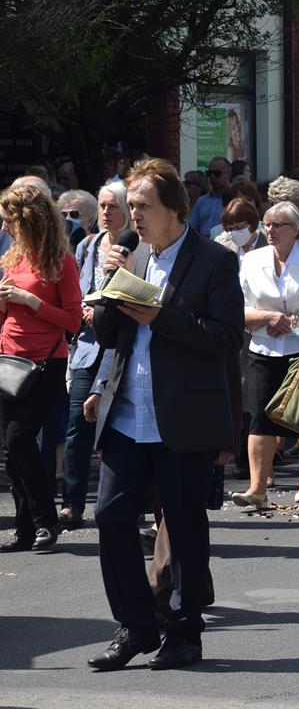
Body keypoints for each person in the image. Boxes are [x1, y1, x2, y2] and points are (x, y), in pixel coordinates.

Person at [83, 158, 243, 671]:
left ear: (174, 208)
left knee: (185, 526)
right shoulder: (132, 255)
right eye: (130, 206)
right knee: (109, 516)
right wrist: (113, 282)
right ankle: (135, 625)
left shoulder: (214, 261)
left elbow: (225, 338)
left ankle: (185, 630)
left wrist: (163, 318)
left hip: (183, 418)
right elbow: (108, 333)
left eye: (143, 206)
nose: (134, 216)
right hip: (129, 412)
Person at [0, 185, 83, 552]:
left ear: (27, 220)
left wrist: (31, 300)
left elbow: (73, 321)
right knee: (10, 449)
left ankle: (45, 520)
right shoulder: (13, 256)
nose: (4, 229)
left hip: (45, 362)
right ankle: (24, 529)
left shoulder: (61, 260)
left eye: (8, 222)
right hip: (8, 358)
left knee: (20, 439)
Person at [231, 202, 299, 508]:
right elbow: (238, 306)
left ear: (295, 230)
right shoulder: (251, 259)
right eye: (267, 224)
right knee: (259, 415)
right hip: (263, 347)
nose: (270, 230)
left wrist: (291, 322)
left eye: (279, 225)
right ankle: (258, 487)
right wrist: (266, 319)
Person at [60, 183, 131, 530]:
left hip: (119, 343)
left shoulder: (137, 245)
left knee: (117, 426)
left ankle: (123, 502)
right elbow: (77, 288)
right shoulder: (88, 244)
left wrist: (103, 308)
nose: (106, 213)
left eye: (112, 206)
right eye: (102, 206)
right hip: (88, 346)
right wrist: (87, 306)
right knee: (77, 425)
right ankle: (72, 503)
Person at [188, 157, 231, 238]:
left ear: (228, 174)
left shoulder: (235, 200)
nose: (212, 177)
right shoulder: (201, 201)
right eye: (209, 173)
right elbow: (192, 228)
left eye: (217, 173)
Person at [214, 198, 267, 262]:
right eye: (230, 229)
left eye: (239, 227)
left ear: (252, 223)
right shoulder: (223, 247)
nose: (234, 232)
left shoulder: (270, 245)